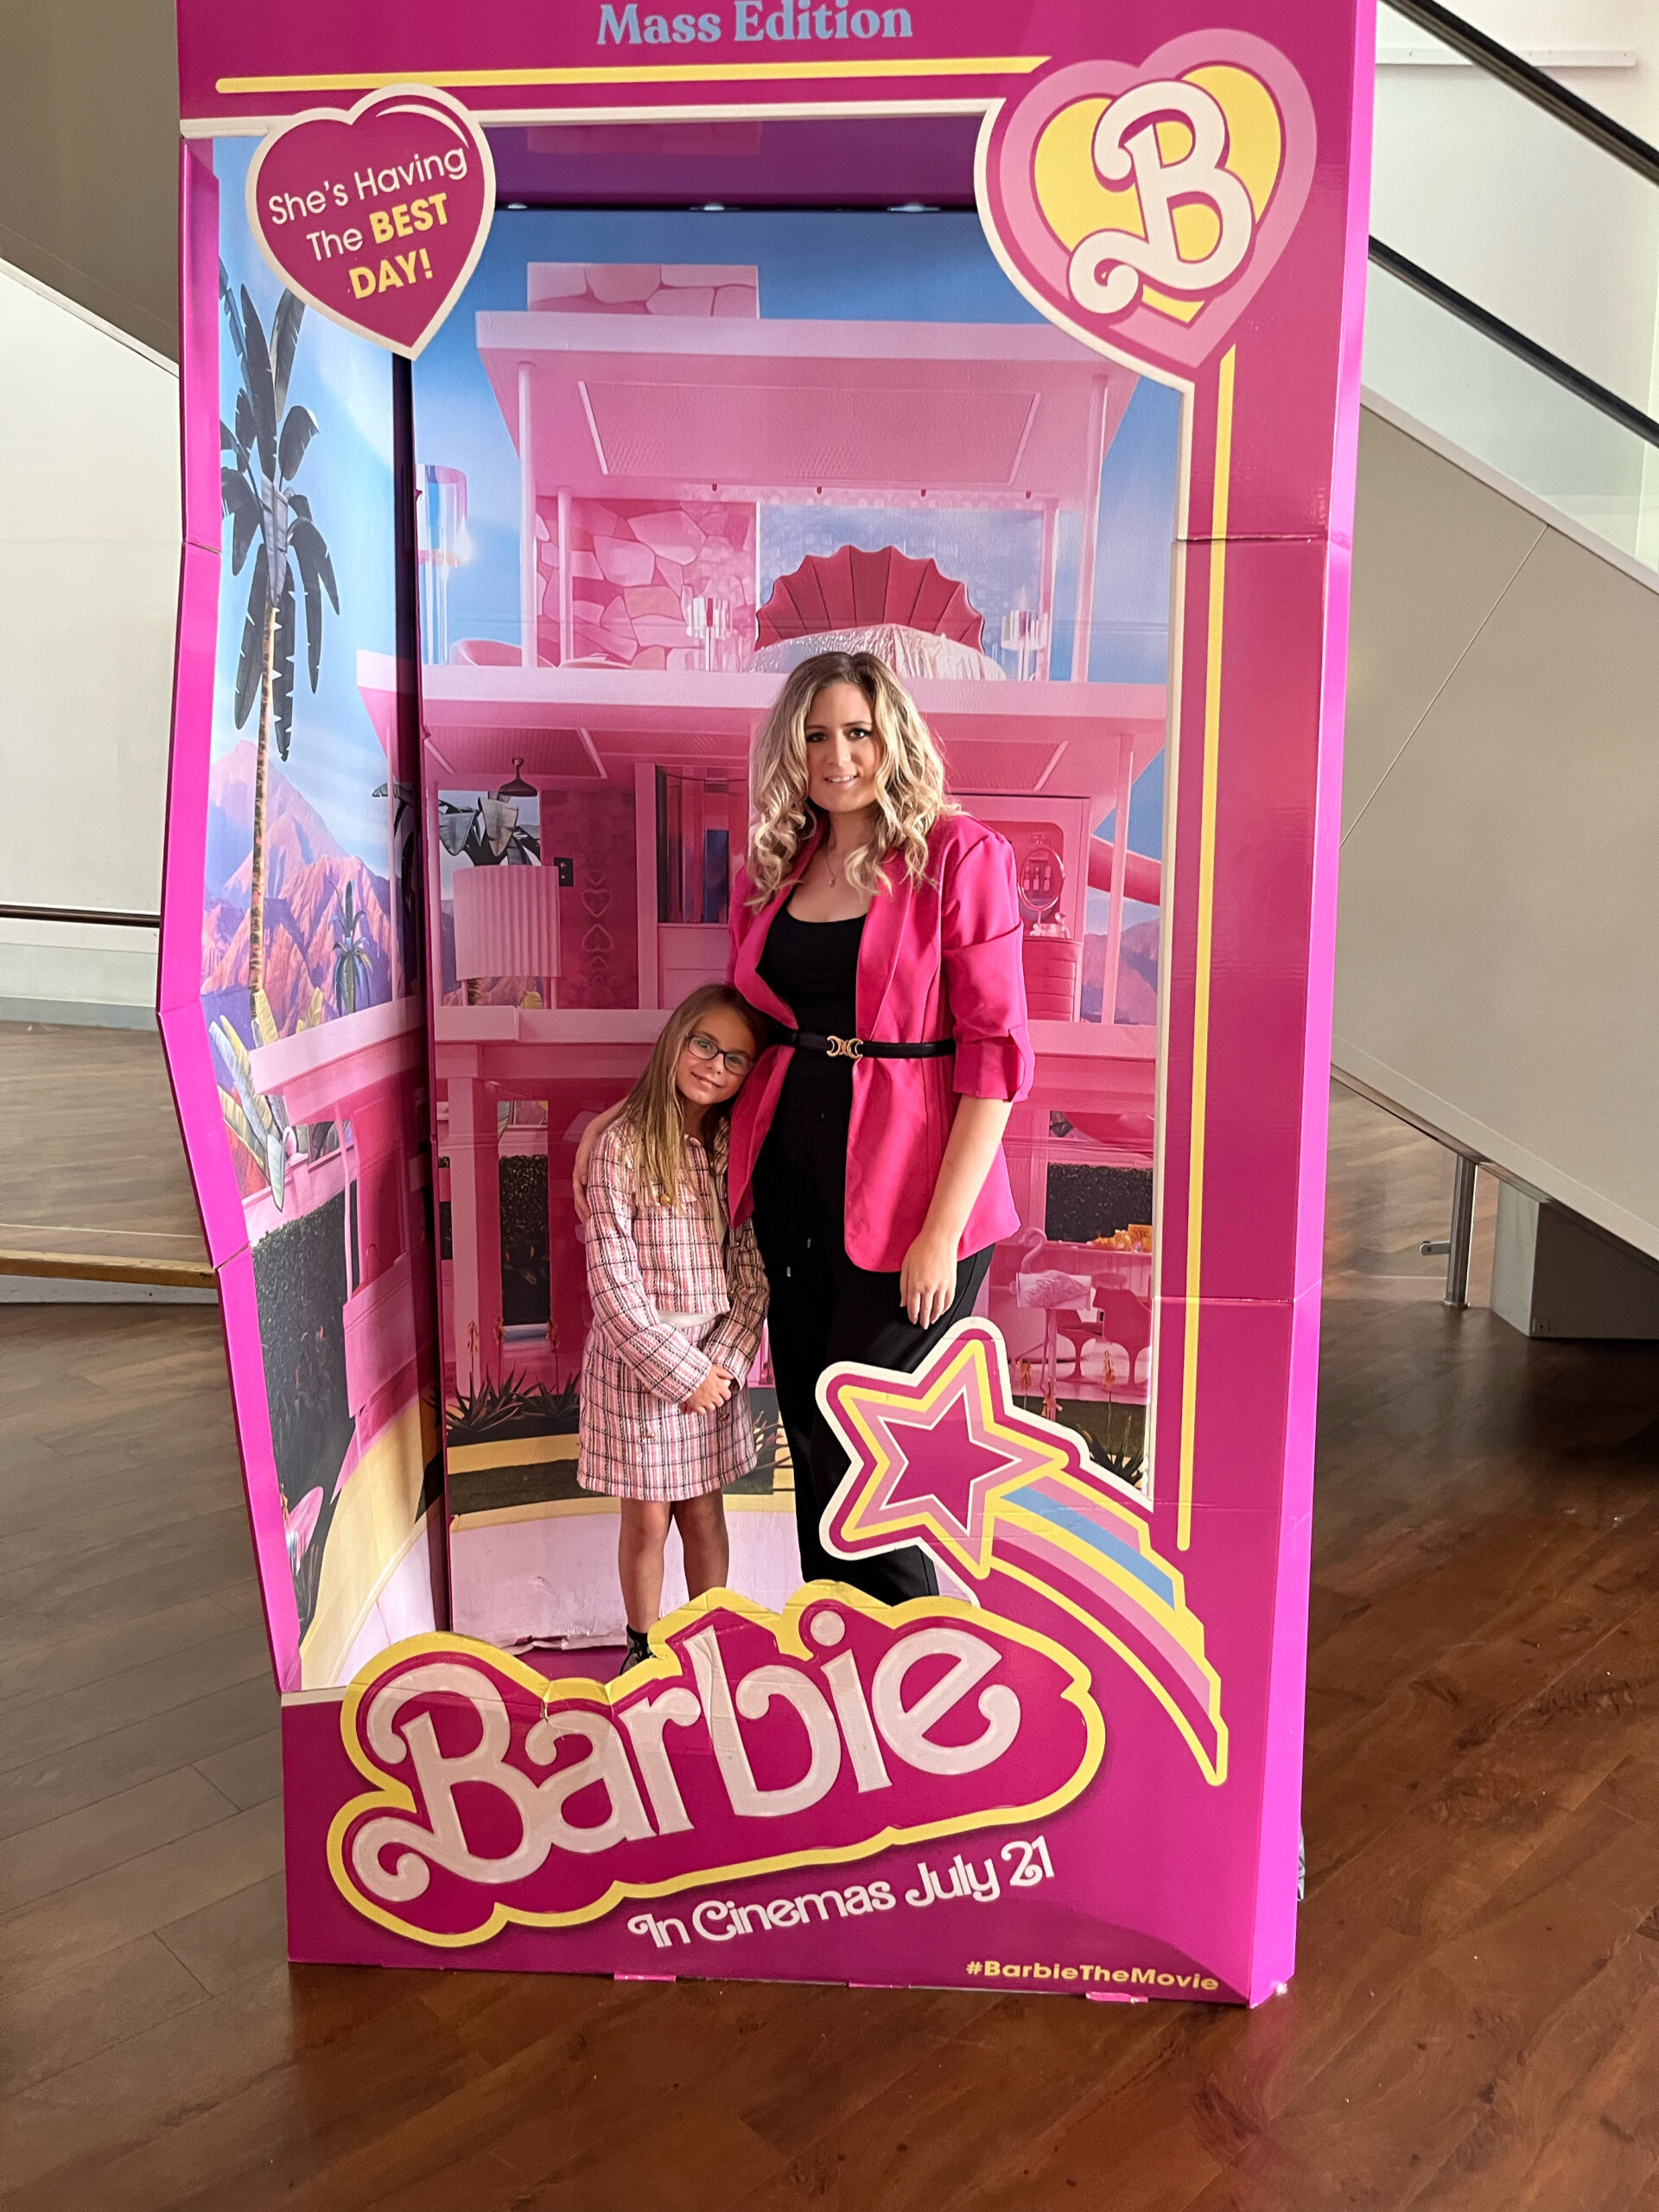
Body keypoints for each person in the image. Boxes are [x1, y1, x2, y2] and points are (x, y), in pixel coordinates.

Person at [578, 650, 1033, 1608]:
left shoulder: (958, 856)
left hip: (913, 1200)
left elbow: (995, 1059)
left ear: (891, 737)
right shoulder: (778, 869)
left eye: (857, 732)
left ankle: (926, 1671)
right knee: (813, 1438)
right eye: (815, 736)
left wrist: (941, 1234)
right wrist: (641, 1109)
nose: (837, 755)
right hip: (789, 1189)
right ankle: (843, 1678)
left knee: (874, 1450)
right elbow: (741, 1024)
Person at [578, 984, 769, 1673]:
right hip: (639, 1368)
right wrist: (680, 1375)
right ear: (677, 1039)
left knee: (704, 1512)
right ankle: (642, 1644)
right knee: (648, 1516)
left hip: (713, 1366)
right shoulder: (620, 1149)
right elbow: (613, 1282)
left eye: (737, 1059)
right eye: (705, 1045)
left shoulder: (732, 1153)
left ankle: (708, 1640)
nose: (715, 1066)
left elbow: (752, 1274)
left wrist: (719, 1368)